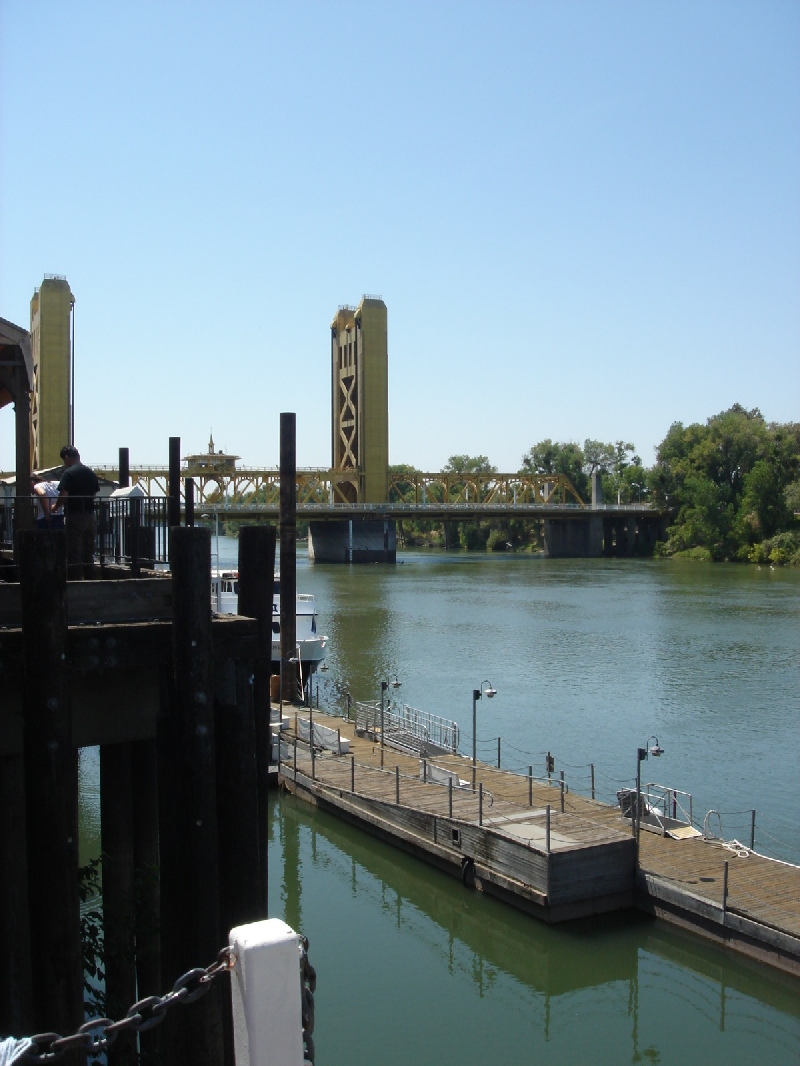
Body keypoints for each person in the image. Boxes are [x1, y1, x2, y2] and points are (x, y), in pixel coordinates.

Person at [57, 445, 99, 579]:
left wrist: (56, 506)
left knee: (74, 549)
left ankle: (75, 579)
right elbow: (94, 493)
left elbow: (63, 494)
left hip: (74, 514)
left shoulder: (69, 473)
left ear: (67, 458)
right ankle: (90, 577)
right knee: (89, 549)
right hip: (90, 515)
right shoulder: (90, 472)